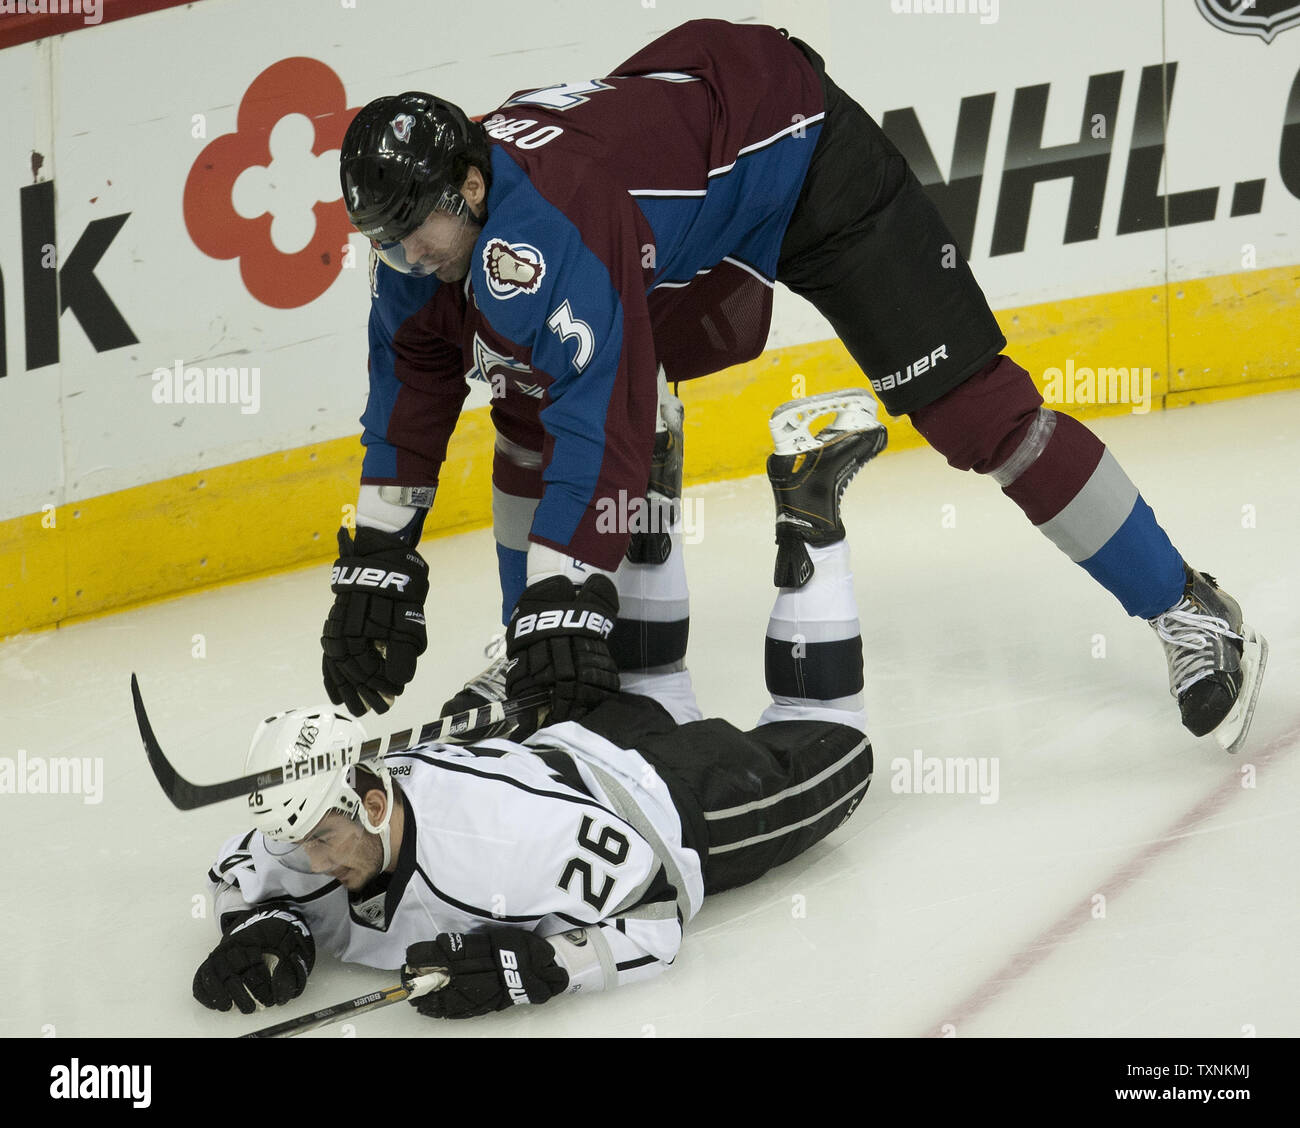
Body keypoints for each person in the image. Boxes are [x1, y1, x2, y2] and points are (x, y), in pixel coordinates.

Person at [323, 18, 1265, 754]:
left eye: (414, 232)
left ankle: (1188, 608)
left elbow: (599, 429)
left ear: (471, 192)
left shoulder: (547, 227)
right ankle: (533, 655)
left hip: (797, 150)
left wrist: (563, 599)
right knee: (528, 403)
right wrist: (376, 556)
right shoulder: (425, 239)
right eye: (385, 237)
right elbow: (408, 395)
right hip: (678, 209)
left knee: (978, 417)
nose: (403, 256)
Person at [195, 394, 880, 1021]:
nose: (310, 863)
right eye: (301, 841)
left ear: (374, 806)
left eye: (321, 840)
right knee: (650, 682)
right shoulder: (316, 809)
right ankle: (648, 470)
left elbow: (654, 918)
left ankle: (808, 502)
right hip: (570, 733)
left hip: (664, 794)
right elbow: (240, 867)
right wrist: (264, 927)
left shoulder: (502, 849)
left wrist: (542, 968)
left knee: (834, 735)